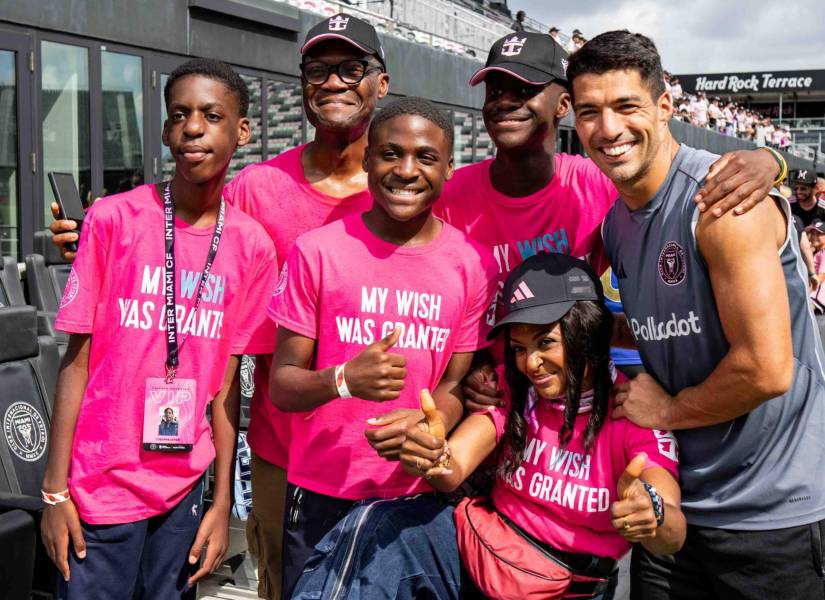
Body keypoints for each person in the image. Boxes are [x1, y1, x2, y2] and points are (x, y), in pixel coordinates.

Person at [568, 30, 825, 598]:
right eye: (590, 111)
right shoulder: (616, 224)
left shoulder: (721, 200)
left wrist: (667, 409)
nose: (607, 129)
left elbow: (766, 370)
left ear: (664, 108)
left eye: (625, 106)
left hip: (769, 519)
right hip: (673, 509)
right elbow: (655, 324)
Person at [292, 252, 685, 600]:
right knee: (375, 522)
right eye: (518, 349)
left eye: (545, 342)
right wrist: (429, 454)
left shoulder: (631, 409)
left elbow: (672, 532)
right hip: (476, 549)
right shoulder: (515, 390)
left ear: (585, 331)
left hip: (563, 583)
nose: (531, 363)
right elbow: (452, 468)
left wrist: (652, 513)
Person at [40, 58, 277, 598]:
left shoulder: (253, 247)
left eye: (211, 115)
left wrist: (221, 506)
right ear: (167, 129)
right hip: (98, 490)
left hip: (183, 495)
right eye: (180, 114)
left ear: (242, 131)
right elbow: (75, 363)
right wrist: (55, 492)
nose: (193, 127)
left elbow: (226, 390)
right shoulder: (114, 220)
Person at [267, 97, 498, 596]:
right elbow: (282, 386)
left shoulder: (473, 264)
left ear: (449, 168)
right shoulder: (317, 251)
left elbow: (457, 384)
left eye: (425, 157)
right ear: (368, 159)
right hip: (323, 494)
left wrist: (431, 421)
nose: (407, 170)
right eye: (391, 154)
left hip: (418, 498)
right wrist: (345, 379)